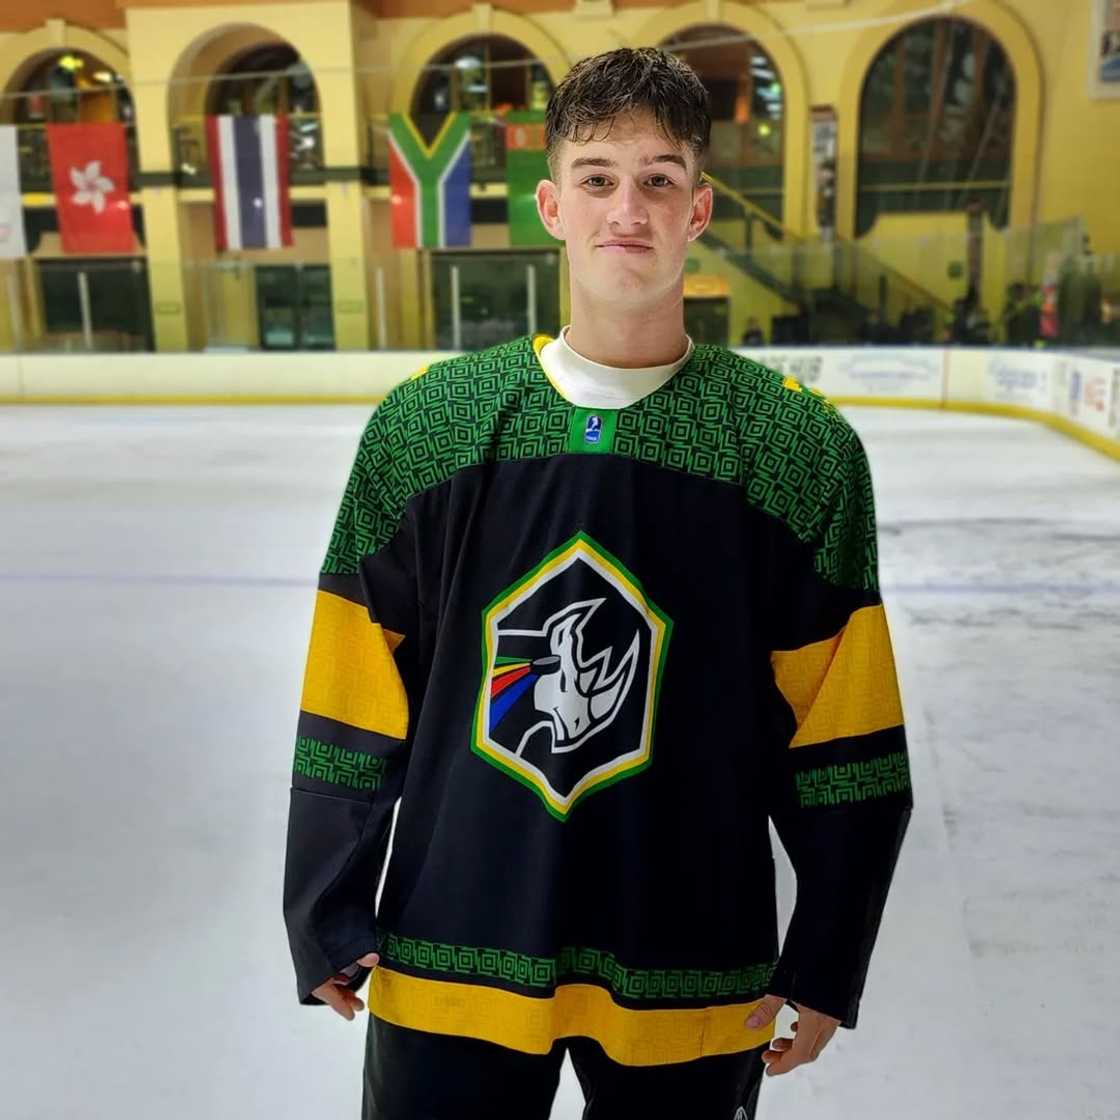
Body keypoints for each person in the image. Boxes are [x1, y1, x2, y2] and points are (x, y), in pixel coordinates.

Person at [283, 46, 913, 1120]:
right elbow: (353, 682)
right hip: (453, 947)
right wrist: (327, 905)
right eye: (598, 177)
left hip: (691, 960)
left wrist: (829, 947)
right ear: (551, 206)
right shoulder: (427, 427)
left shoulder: (796, 449)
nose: (629, 205)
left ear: (700, 207)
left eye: (660, 178)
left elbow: (842, 726)